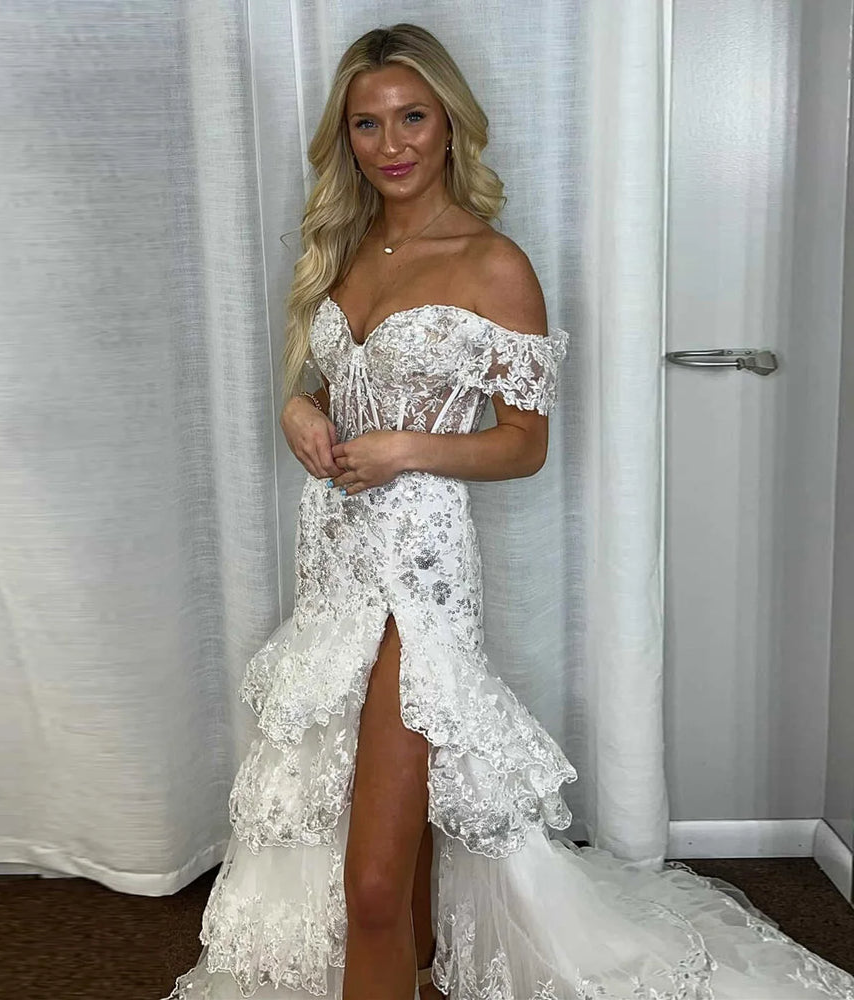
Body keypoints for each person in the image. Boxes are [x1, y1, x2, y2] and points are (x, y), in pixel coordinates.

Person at [162, 23, 854, 1000]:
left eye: (412, 117)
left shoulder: (493, 264)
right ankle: (409, 966)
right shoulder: (344, 244)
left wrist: (408, 447)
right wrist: (294, 409)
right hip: (334, 562)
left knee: (364, 874)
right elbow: (324, 384)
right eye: (366, 124)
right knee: (368, 829)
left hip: (419, 575)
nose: (390, 142)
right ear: (345, 138)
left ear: (450, 125)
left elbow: (523, 444)